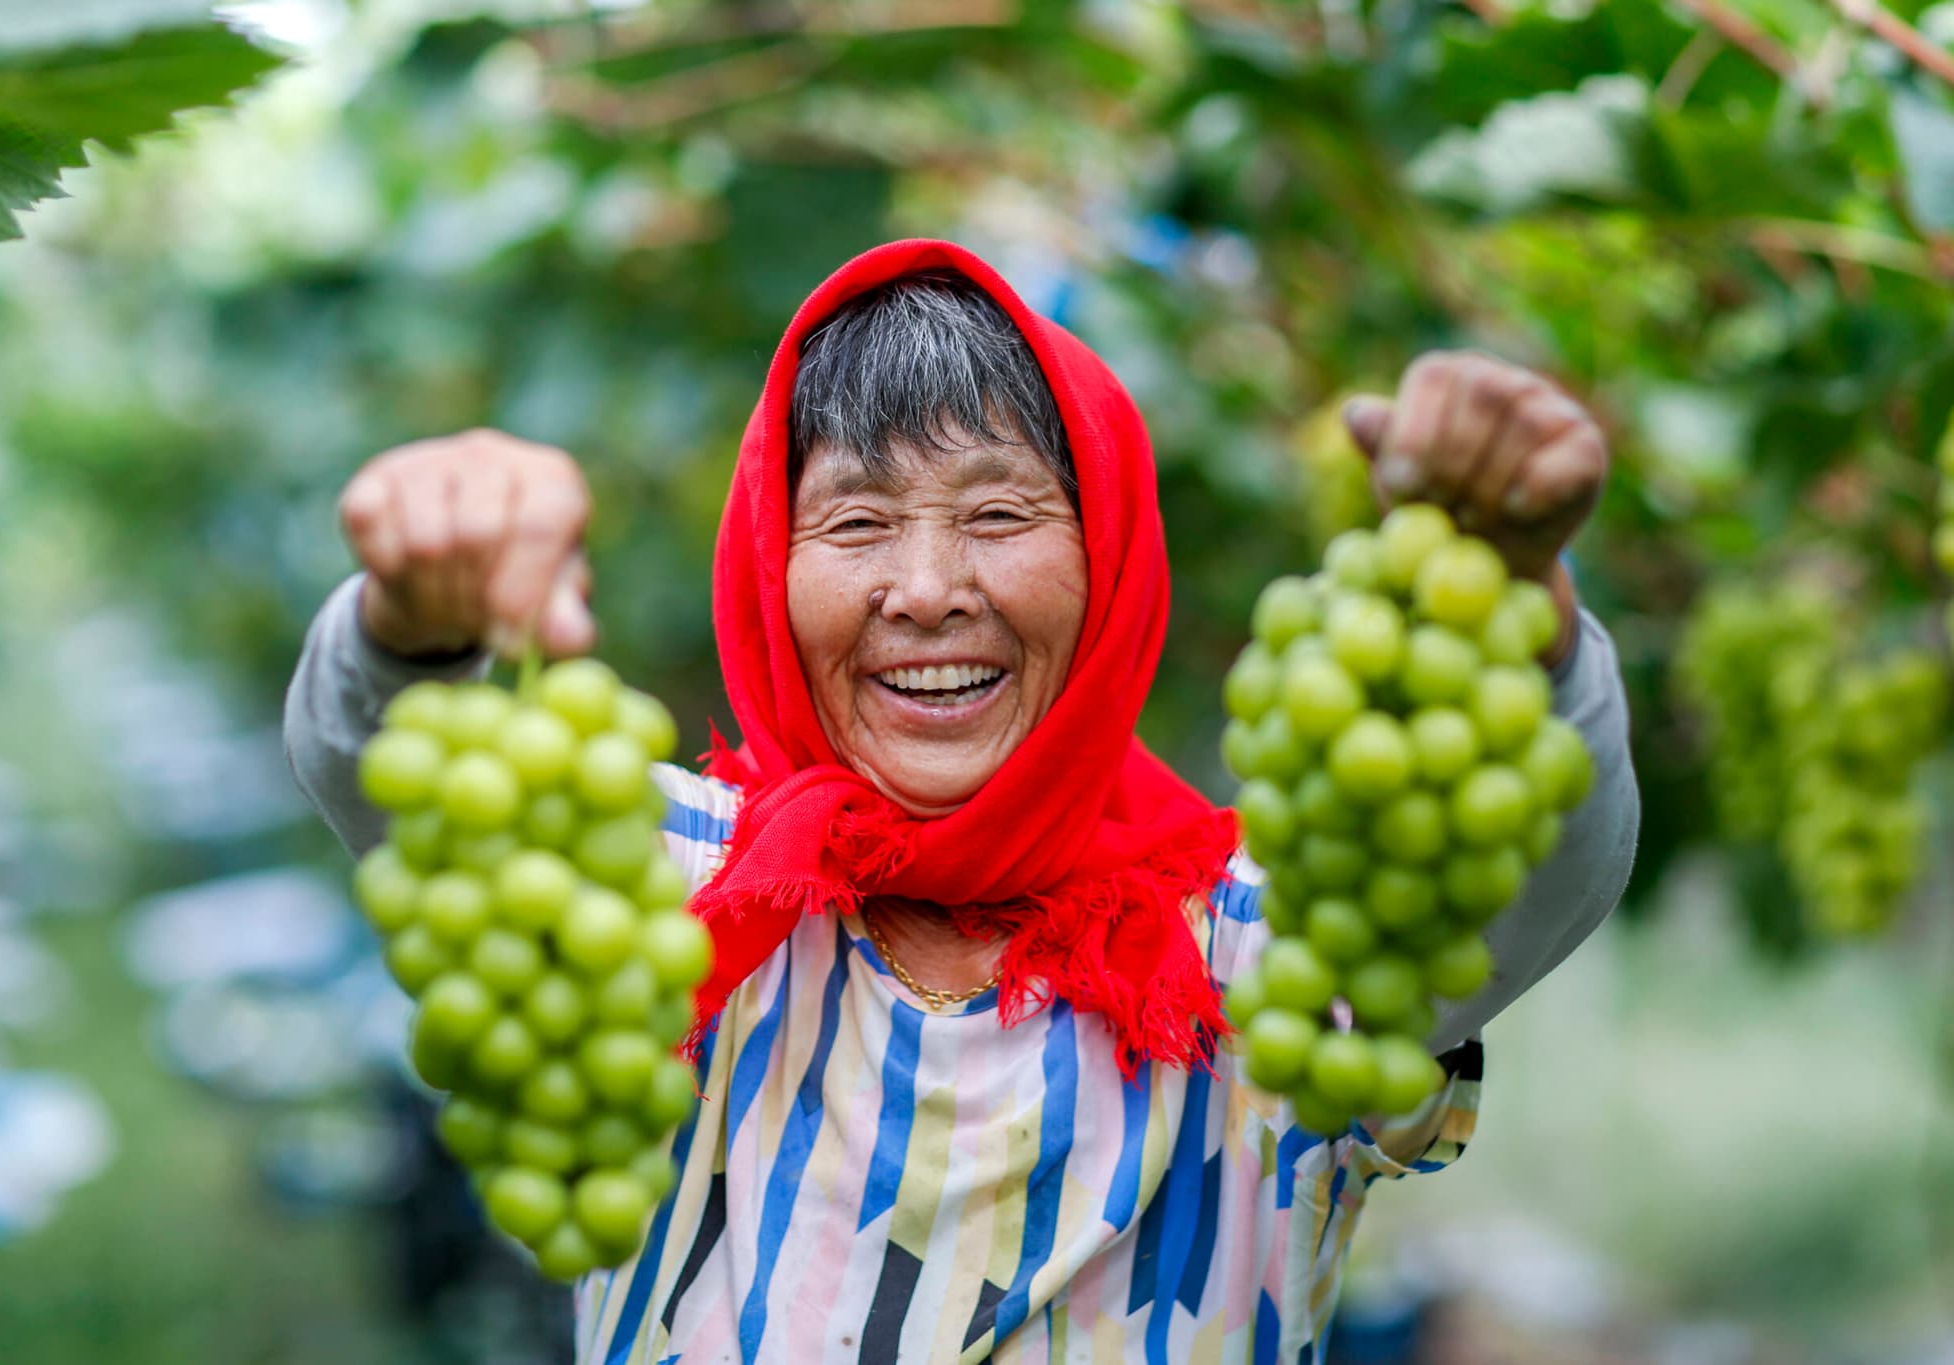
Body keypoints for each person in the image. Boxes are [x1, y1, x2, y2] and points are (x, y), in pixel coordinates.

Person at [285, 239, 1638, 1364]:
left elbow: (1542, 863)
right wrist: (419, 620)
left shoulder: (1264, 964)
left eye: (999, 515)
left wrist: (1525, 607)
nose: (927, 586)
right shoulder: (657, 895)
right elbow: (396, 764)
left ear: (1105, 558)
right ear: (772, 566)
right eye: (859, 523)